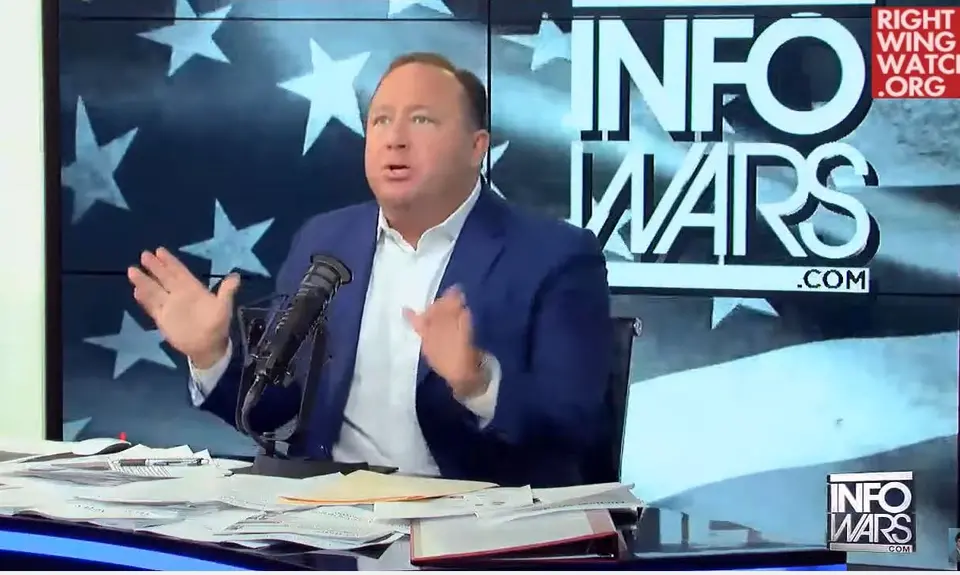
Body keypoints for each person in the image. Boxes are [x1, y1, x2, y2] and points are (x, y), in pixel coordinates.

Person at [127, 52, 613, 487]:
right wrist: (212, 354)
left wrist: (478, 382)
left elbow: (574, 427)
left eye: (421, 120)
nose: (395, 139)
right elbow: (275, 408)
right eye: (380, 120)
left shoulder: (555, 256)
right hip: (326, 517)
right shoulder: (324, 240)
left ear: (475, 146)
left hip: (474, 525)